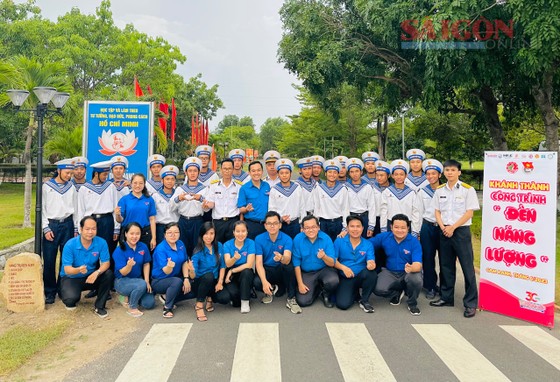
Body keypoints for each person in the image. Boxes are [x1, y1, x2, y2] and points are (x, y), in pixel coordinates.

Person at [430, 159, 480, 318]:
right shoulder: (439, 190)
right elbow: (436, 211)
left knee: (467, 268)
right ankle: (446, 297)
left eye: (453, 170)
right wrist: (443, 226)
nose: (449, 173)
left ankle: (471, 304)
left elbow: (469, 213)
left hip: (460, 232)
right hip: (444, 231)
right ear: (443, 172)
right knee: (446, 266)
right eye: (447, 170)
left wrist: (453, 227)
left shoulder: (467, 190)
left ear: (459, 172)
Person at [59, 216, 114, 318]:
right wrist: (78, 269)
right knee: (70, 300)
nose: (90, 232)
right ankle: (69, 293)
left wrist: (97, 272)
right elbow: (67, 269)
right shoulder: (70, 244)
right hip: (72, 277)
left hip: (90, 276)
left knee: (108, 274)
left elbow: (106, 263)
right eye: (87, 229)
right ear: (81, 229)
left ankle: (99, 306)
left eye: (93, 229)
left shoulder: (101, 242)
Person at [371, 214, 423, 316]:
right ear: (391, 227)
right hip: (390, 271)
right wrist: (347, 239)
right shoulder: (385, 237)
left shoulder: (414, 242)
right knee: (377, 289)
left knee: (416, 279)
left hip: (408, 272)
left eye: (403, 228)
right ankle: (397, 292)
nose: (400, 230)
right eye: (396, 227)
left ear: (408, 228)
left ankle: (412, 304)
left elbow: (418, 265)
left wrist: (412, 267)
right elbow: (366, 244)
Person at [42, 158, 78, 304]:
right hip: (52, 225)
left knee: (66, 260)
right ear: (59, 170)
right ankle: (50, 291)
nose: (69, 175)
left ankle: (63, 289)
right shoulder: (47, 186)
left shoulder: (71, 187)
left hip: (68, 224)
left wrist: (76, 227)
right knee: (49, 260)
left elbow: (76, 208)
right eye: (67, 172)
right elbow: (42, 208)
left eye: (71, 173)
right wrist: (45, 228)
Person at [254, 211, 301, 314]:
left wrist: (281, 258)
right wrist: (264, 282)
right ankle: (270, 289)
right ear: (265, 226)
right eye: (269, 224)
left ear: (280, 225)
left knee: (289, 266)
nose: (272, 226)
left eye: (275, 223)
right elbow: (258, 263)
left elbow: (287, 258)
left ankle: (291, 298)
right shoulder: (259, 239)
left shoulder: (287, 239)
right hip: (267, 269)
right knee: (257, 282)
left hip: (280, 268)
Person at [292, 215, 339, 308]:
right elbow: (296, 263)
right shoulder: (298, 239)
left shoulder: (326, 238)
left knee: (333, 280)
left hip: (323, 270)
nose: (311, 230)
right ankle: (317, 288)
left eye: (313, 227)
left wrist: (324, 257)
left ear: (318, 227)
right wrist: (300, 284)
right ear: (303, 229)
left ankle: (325, 294)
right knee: (303, 302)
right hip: (307, 273)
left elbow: (332, 263)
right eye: (307, 228)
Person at [333, 216, 378, 312]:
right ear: (347, 228)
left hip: (361, 276)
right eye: (352, 226)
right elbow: (333, 260)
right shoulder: (339, 241)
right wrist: (343, 268)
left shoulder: (368, 244)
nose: (355, 229)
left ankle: (364, 300)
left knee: (371, 274)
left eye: (358, 226)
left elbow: (371, 260)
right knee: (342, 305)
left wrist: (371, 264)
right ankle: (354, 293)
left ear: (362, 228)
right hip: (346, 276)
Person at [151, 223, 194, 318]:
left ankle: (167, 297)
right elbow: (166, 271)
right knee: (177, 282)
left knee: (193, 286)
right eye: (169, 232)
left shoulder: (180, 244)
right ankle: (167, 307)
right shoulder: (161, 249)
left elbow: (184, 262)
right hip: (160, 281)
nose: (173, 235)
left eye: (176, 232)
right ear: (164, 234)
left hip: (175, 277)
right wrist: (169, 266)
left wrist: (186, 278)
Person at [112, 222, 155, 317]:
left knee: (149, 304)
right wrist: (129, 266)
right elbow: (123, 272)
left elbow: (146, 263)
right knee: (141, 284)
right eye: (131, 233)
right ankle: (132, 307)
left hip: (138, 280)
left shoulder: (143, 246)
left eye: (137, 234)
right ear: (126, 234)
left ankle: (130, 296)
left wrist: (147, 281)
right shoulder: (119, 250)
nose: (134, 236)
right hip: (122, 281)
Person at [77, 160, 119, 254]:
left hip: (107, 221)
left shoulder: (110, 186)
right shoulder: (84, 188)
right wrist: (80, 228)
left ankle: (108, 269)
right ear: (96, 174)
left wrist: (116, 227)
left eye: (107, 174)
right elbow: (81, 210)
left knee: (108, 249)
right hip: (91, 220)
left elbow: (115, 208)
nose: (106, 177)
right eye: (104, 174)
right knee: (91, 249)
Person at [416, 159, 443, 299]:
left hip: (443, 228)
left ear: (439, 175)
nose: (430, 176)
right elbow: (419, 213)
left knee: (445, 259)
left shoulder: (445, 190)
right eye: (428, 174)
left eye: (434, 173)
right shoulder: (422, 192)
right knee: (428, 258)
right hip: (427, 227)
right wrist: (418, 231)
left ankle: (445, 287)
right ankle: (430, 286)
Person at [171, 157, 209, 257]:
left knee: (197, 248)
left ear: (199, 172)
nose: (192, 173)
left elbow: (207, 208)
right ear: (186, 172)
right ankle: (184, 271)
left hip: (197, 221)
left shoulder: (204, 189)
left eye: (195, 171)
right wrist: (179, 198)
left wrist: (201, 199)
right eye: (190, 171)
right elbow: (171, 207)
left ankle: (195, 271)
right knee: (182, 247)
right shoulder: (180, 189)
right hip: (183, 221)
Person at [190, 222, 227, 321]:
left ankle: (210, 297)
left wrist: (220, 282)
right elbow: (193, 276)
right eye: (206, 234)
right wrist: (191, 270)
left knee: (225, 298)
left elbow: (222, 266)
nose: (209, 237)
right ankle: (199, 305)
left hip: (214, 281)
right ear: (202, 235)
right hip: (200, 283)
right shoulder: (197, 251)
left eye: (211, 233)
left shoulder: (218, 245)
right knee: (208, 276)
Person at [219, 221, 255, 313]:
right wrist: (234, 258)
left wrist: (232, 271)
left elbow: (249, 264)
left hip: (244, 271)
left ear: (247, 232)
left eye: (243, 231)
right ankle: (244, 294)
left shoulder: (251, 243)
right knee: (235, 300)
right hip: (232, 271)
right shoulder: (227, 244)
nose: (240, 234)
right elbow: (227, 264)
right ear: (233, 232)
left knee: (247, 272)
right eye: (237, 231)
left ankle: (245, 301)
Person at [115, 173, 157, 251]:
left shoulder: (149, 199)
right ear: (131, 183)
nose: (138, 185)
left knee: (144, 258)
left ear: (144, 184)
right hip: (128, 234)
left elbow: (152, 219)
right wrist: (117, 215)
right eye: (135, 183)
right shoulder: (124, 199)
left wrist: (153, 238)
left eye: (141, 183)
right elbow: (120, 220)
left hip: (145, 233)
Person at [204, 159, 241, 243]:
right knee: (217, 247)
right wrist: (207, 205)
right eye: (225, 169)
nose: (227, 171)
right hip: (218, 222)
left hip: (233, 221)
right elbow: (211, 203)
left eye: (229, 169)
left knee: (232, 247)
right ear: (221, 170)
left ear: (233, 170)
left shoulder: (238, 186)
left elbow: (240, 205)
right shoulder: (214, 185)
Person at [379, 159, 420, 237]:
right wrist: (383, 228)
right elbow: (383, 211)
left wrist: (415, 231)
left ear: (406, 175)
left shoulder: (412, 193)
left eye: (401, 174)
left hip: (407, 225)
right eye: (396, 174)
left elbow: (415, 212)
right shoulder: (387, 192)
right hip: (390, 225)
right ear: (392, 175)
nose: (399, 177)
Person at [311, 158, 349, 241]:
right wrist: (315, 225)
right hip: (323, 223)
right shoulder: (318, 188)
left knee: (338, 248)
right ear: (325, 173)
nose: (332, 174)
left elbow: (345, 209)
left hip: (338, 223)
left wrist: (345, 227)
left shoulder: (343, 189)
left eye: (335, 172)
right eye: (330, 172)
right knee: (323, 247)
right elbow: (316, 208)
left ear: (338, 174)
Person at [268, 159, 305, 238]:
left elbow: (302, 207)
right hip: (280, 225)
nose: (284, 175)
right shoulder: (274, 189)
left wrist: (303, 224)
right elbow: (272, 209)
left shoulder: (297, 187)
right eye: (281, 173)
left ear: (291, 173)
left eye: (287, 173)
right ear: (278, 174)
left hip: (295, 224)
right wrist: (281, 218)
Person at [237, 160, 270, 240]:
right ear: (249, 172)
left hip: (267, 225)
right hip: (252, 225)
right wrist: (246, 209)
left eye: (259, 170)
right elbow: (241, 208)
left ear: (262, 171)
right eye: (253, 171)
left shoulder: (267, 186)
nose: (256, 173)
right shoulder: (244, 188)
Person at [345, 158, 376, 238]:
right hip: (351, 217)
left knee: (364, 242)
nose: (354, 174)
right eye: (352, 172)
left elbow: (372, 207)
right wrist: (345, 225)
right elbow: (344, 208)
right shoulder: (345, 187)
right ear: (349, 173)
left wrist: (371, 225)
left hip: (364, 218)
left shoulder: (367, 187)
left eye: (357, 171)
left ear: (361, 172)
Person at [152, 165, 180, 244]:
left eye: (172, 179)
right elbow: (152, 216)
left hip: (175, 227)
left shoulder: (178, 195)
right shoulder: (155, 196)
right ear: (162, 180)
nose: (170, 181)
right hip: (161, 228)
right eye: (167, 179)